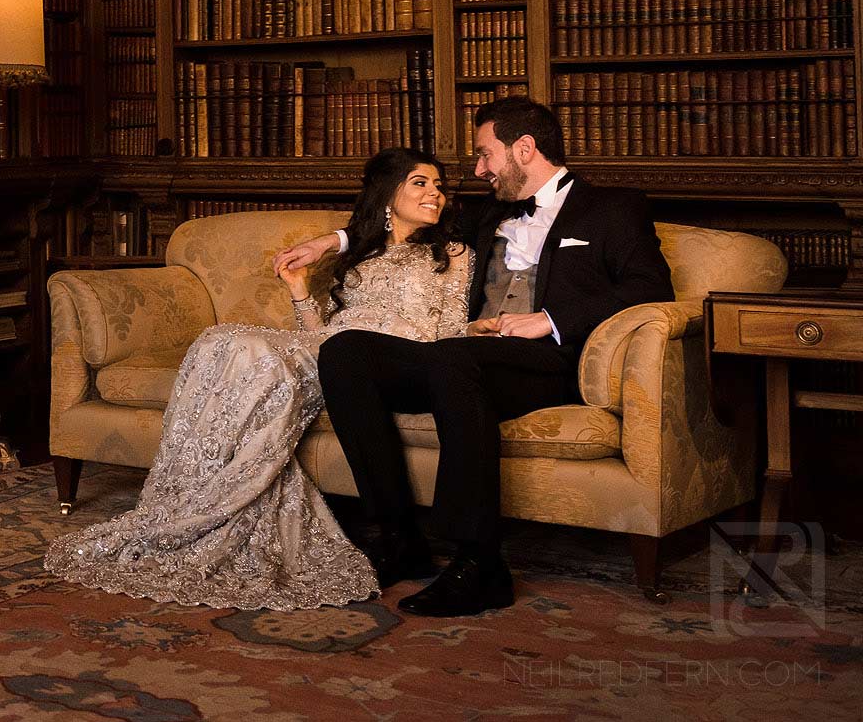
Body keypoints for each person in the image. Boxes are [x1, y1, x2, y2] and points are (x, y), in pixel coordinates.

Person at [277, 96, 672, 617]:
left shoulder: (613, 208)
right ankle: (399, 537)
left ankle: (480, 565)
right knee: (346, 351)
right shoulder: (486, 216)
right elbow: (404, 219)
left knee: (451, 358)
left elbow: (652, 286)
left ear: (524, 149)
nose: (479, 169)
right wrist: (331, 241)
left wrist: (549, 321)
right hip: (466, 361)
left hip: (550, 363)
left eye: (486, 155)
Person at [46, 148, 473, 610]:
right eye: (420, 183)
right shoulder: (362, 256)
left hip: (393, 357)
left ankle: (212, 506)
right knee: (221, 341)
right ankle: (187, 498)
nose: (435, 194)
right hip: (334, 353)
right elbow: (321, 334)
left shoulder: (451, 253)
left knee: (255, 351)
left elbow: (448, 329)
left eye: (438, 186)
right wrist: (299, 291)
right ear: (389, 195)